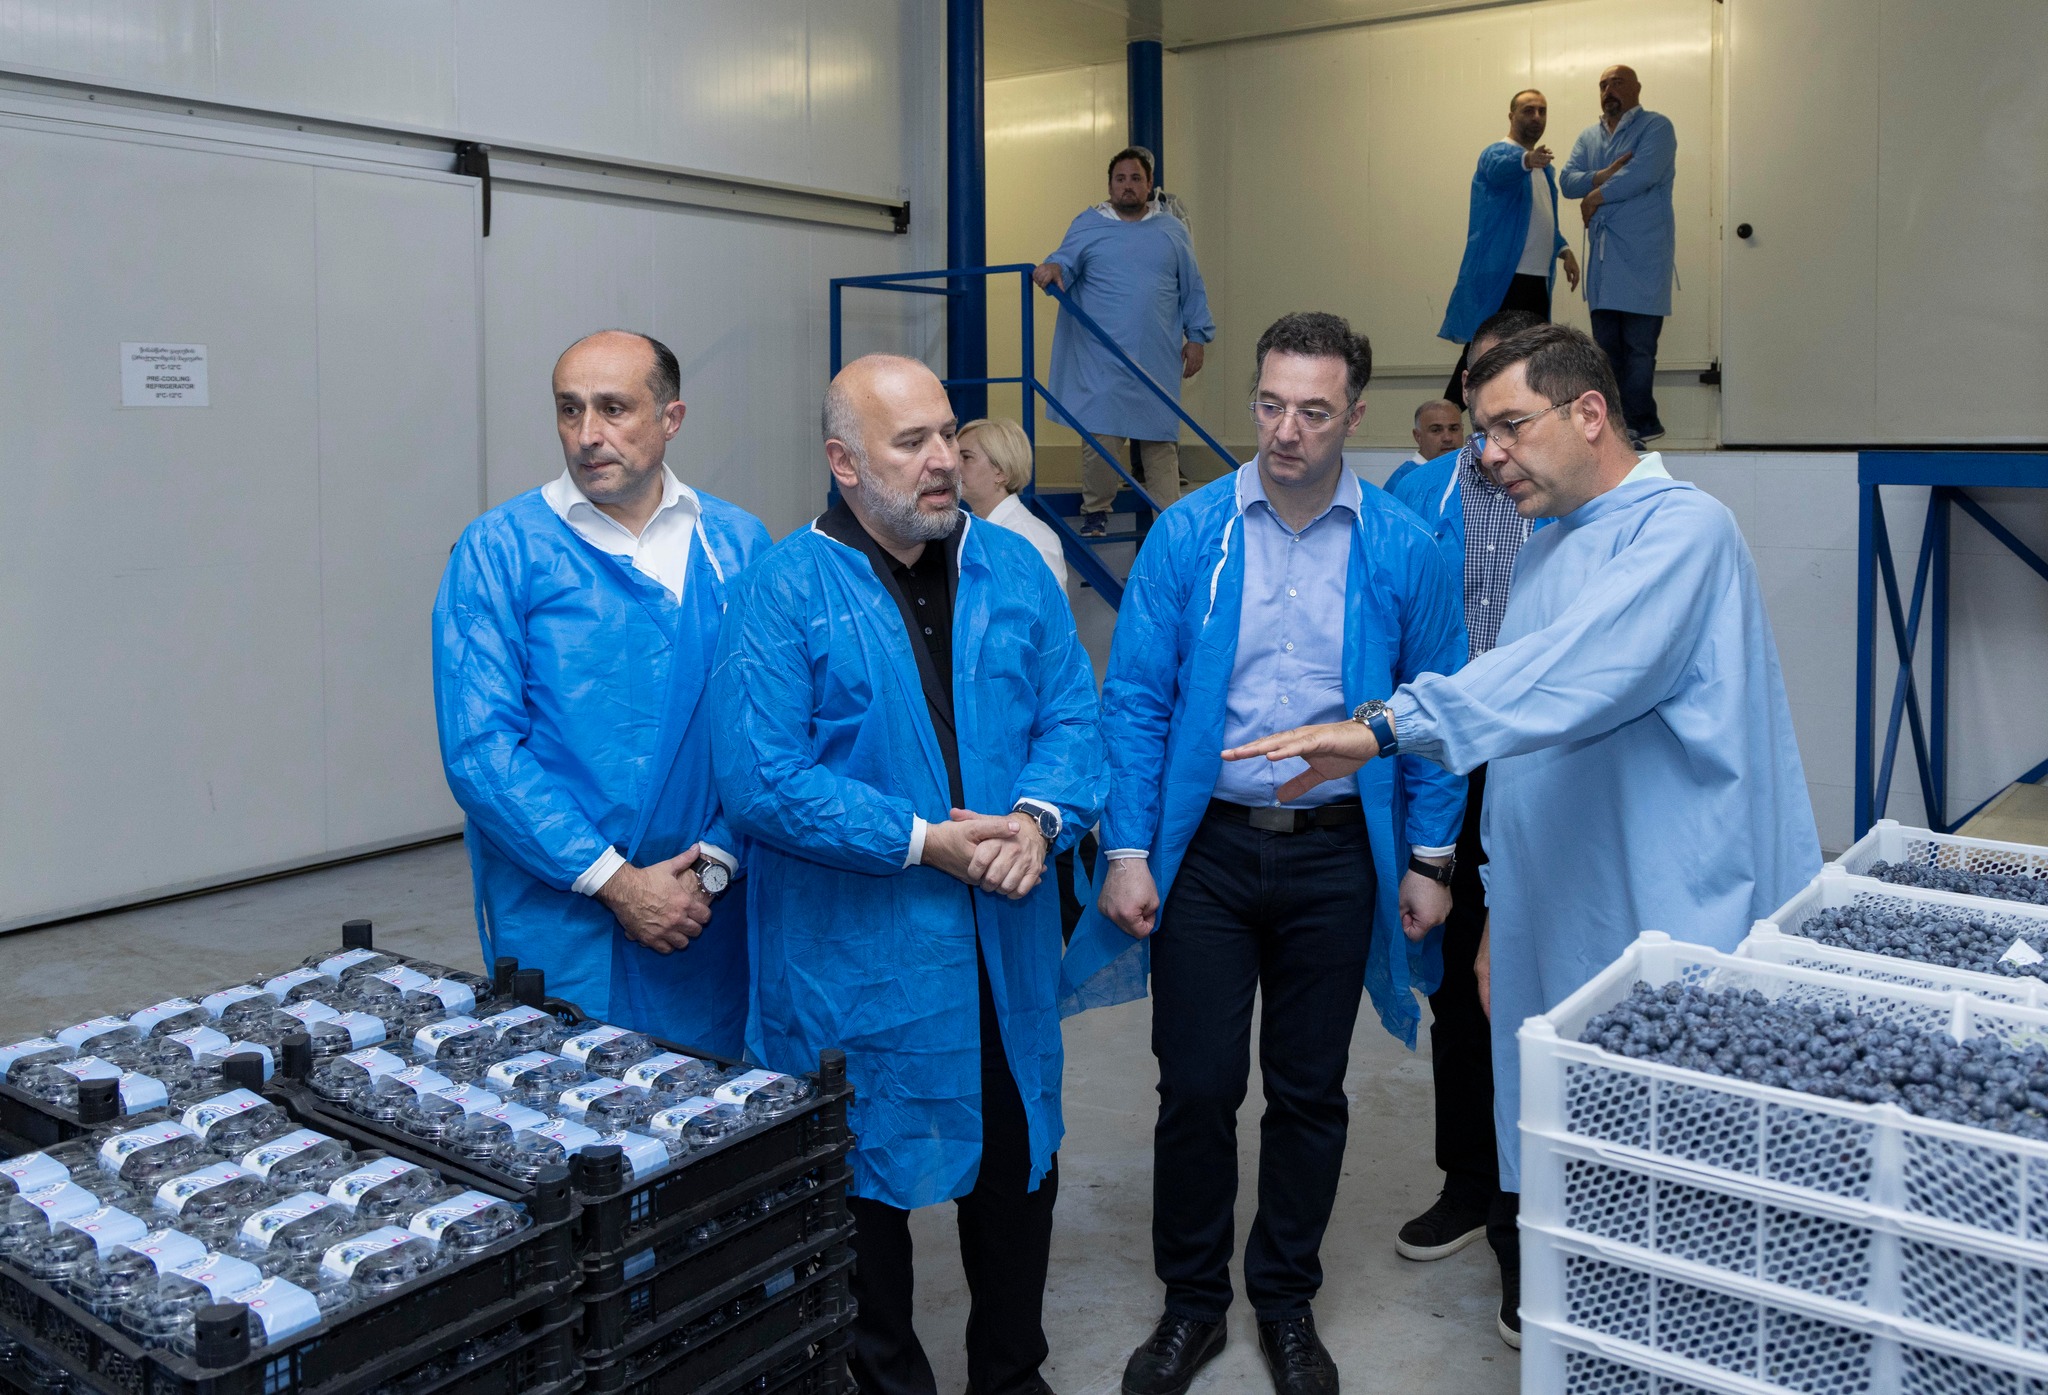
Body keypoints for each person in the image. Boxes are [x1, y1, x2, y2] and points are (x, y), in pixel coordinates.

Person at [1224, 323, 1821, 1350]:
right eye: (1480, 432)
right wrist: (1505, 910)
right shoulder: (1549, 545)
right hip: (1562, 913)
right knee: (1573, 1166)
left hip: (1671, 912)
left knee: (1678, 1173)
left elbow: (1571, 675)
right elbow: (1527, 750)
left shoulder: (1683, 532)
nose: (1487, 454)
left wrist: (1386, 725)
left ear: (1588, 413)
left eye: (1508, 427)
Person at [1063, 313, 1464, 1395]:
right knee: (1194, 1087)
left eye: (1313, 411)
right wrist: (1128, 849)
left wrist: (1429, 860)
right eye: (1271, 405)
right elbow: (1135, 701)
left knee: (1309, 1090)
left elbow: (1435, 710)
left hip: (1336, 857)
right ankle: (1192, 1305)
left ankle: (1284, 1301)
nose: (1286, 431)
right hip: (1208, 854)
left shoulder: (1401, 547)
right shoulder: (1188, 534)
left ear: (1355, 415)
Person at [709, 354, 1104, 1395]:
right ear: (844, 462)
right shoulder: (781, 591)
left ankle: (1009, 1373)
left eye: (948, 434)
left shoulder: (1013, 568)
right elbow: (761, 777)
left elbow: (1071, 713)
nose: (944, 460)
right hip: (851, 953)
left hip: (1002, 939)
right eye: (912, 442)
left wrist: (1038, 819)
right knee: (856, 1178)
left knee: (1016, 1161)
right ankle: (887, 1381)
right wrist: (922, 839)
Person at [431, 330, 769, 1053]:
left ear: (671, 418)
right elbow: (482, 749)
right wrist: (617, 883)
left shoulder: (736, 544)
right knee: (570, 1093)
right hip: (563, 905)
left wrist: (714, 866)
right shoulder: (501, 550)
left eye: (614, 409)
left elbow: (771, 726)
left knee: (711, 1092)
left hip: (706, 908)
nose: (587, 434)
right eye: (569, 409)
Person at [1383, 307, 1544, 1302]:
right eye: (1481, 381)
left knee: (1539, 985)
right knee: (1455, 986)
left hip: (1549, 765)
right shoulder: (1415, 493)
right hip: (1454, 764)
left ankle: (1534, 1213)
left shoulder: (1571, 501)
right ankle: (1469, 1182)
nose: (1493, 412)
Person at [1033, 146, 1215, 538]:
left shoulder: (1171, 231)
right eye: (1120, 179)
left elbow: (1192, 287)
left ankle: (1169, 524)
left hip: (1156, 357)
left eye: (1136, 178)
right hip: (1102, 358)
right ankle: (1096, 510)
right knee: (1101, 438)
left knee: (1160, 443)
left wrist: (1197, 336)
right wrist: (1053, 268)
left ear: (1149, 185)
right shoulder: (1088, 225)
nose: (1127, 186)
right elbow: (1064, 261)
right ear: (1110, 185)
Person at [1439, 89, 1580, 408]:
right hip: (1504, 277)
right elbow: (1499, 170)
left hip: (1535, 280)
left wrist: (1564, 249)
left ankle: (1514, 415)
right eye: (1528, 110)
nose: (1537, 117)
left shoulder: (1544, 169)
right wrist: (1526, 160)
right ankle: (1447, 416)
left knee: (1529, 355)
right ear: (1511, 115)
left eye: (1542, 110)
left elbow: (1543, 219)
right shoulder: (1498, 154)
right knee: (1483, 351)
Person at [1560, 65, 1677, 446]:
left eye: (1618, 83)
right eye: (1603, 84)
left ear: (1637, 88)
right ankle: (1615, 428)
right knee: (1605, 352)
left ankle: (1640, 422)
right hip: (1604, 263)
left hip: (1644, 257)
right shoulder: (1588, 136)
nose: (1609, 89)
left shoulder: (1657, 127)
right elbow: (1567, 181)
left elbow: (1642, 173)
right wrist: (1599, 177)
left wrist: (1595, 195)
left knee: (1639, 349)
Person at [958, 416, 1069, 591]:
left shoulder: (1031, 539)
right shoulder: (968, 530)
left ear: (1001, 472)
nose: (953, 465)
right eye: (955, 456)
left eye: (966, 457)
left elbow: (1048, 607)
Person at [1384, 398, 1465, 495]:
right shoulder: (1403, 481)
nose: (1447, 438)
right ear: (1418, 436)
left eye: (1454, 429)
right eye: (1436, 430)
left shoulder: (1472, 473)